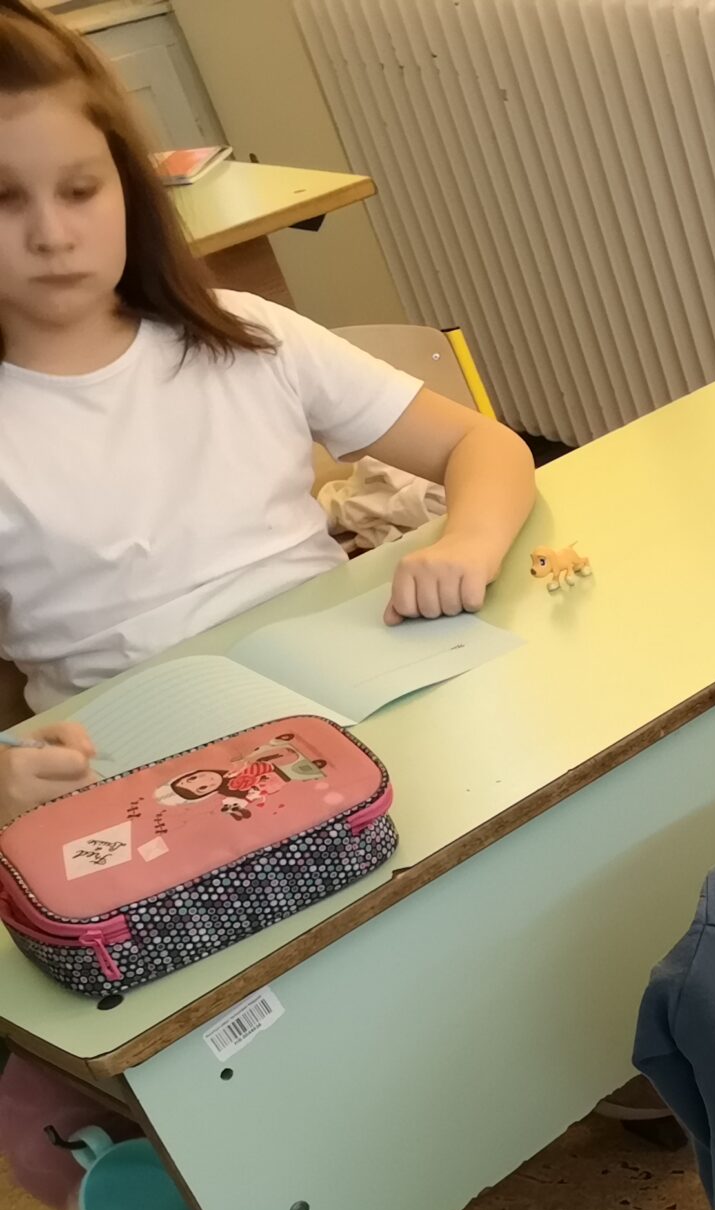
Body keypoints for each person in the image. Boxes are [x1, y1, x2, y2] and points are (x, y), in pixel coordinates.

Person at [0, 0, 534, 813]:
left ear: (127, 186)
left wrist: (469, 542)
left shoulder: (250, 334)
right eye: (4, 199)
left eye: (80, 189)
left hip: (360, 698)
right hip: (147, 774)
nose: (53, 234)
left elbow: (484, 446)